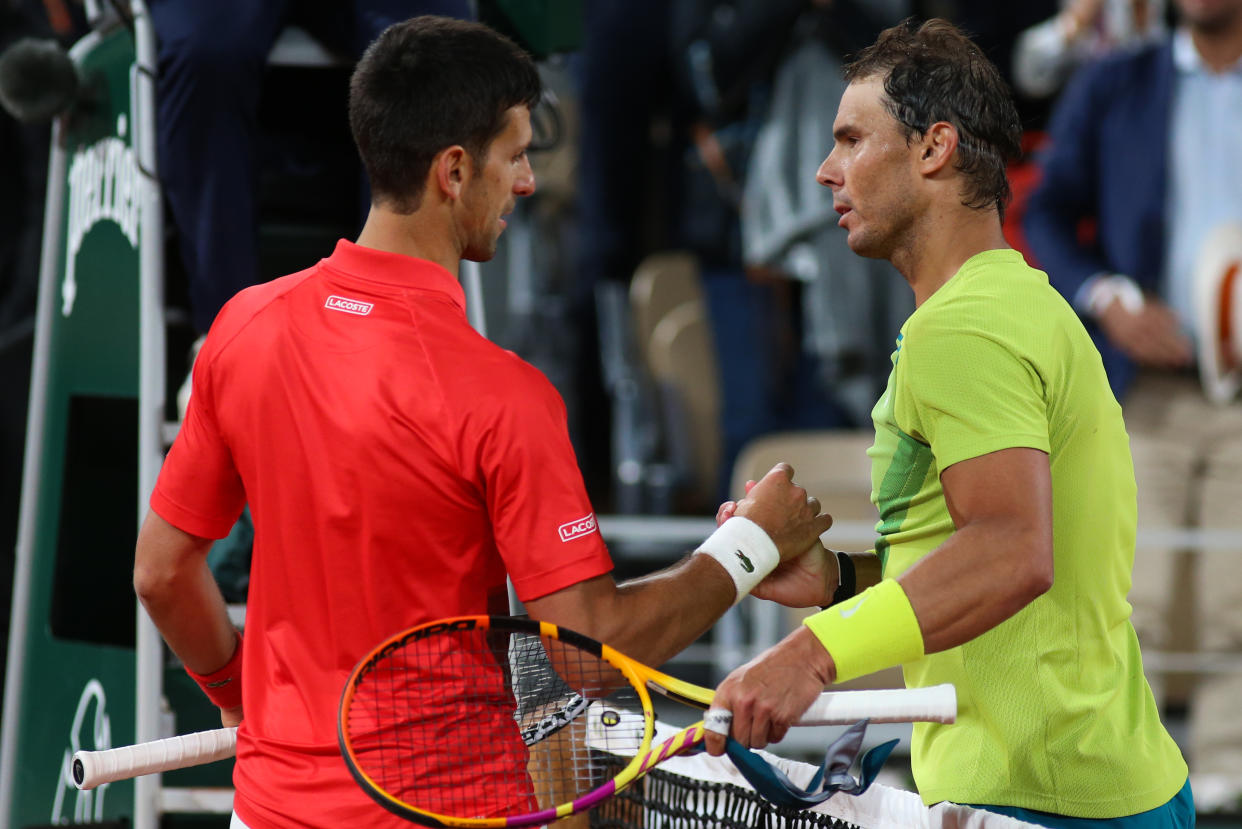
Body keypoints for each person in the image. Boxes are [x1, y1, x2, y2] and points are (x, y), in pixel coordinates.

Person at [132, 16, 833, 829]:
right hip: (441, 811)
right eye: (516, 154)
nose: (528, 182)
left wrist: (238, 697)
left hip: (268, 809)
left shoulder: (242, 331)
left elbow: (161, 572)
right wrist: (751, 546)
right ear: (455, 171)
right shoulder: (502, 395)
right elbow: (588, 652)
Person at [702, 19, 1193, 828]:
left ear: (934, 149)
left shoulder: (960, 329)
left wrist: (810, 655)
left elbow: (1011, 548)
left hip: (1043, 800)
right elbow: (987, 547)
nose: (826, 170)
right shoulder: (1024, 299)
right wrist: (839, 583)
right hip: (1102, 782)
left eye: (852, 140)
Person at [1023, 0, 1242, 803]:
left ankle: (1227, 771)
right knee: (1126, 594)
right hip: (1145, 387)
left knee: (1238, 598)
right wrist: (1107, 296)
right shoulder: (1119, 83)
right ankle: (1122, 775)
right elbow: (1043, 209)